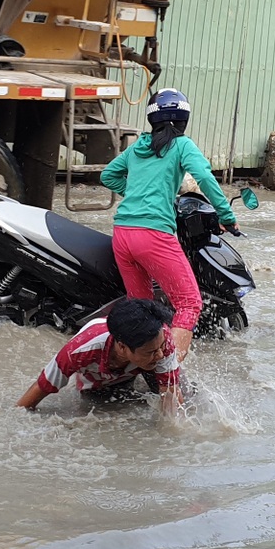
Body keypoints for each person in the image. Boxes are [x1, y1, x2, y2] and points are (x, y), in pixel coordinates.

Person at [100, 88, 239, 363]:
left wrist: (137, 193)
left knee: (143, 311)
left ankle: (126, 372)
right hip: (153, 235)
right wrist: (226, 215)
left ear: (152, 119)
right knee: (189, 303)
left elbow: (107, 176)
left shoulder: (137, 148)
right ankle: (168, 374)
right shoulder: (182, 145)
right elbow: (204, 177)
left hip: (123, 234)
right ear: (184, 119)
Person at [16, 298, 183, 417]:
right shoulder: (79, 352)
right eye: (152, 352)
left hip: (143, 367)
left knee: (185, 396)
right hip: (99, 380)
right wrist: (19, 419)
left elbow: (173, 398)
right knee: (101, 410)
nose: (160, 354)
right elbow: (42, 387)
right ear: (123, 347)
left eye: (160, 348)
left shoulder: (162, 340)